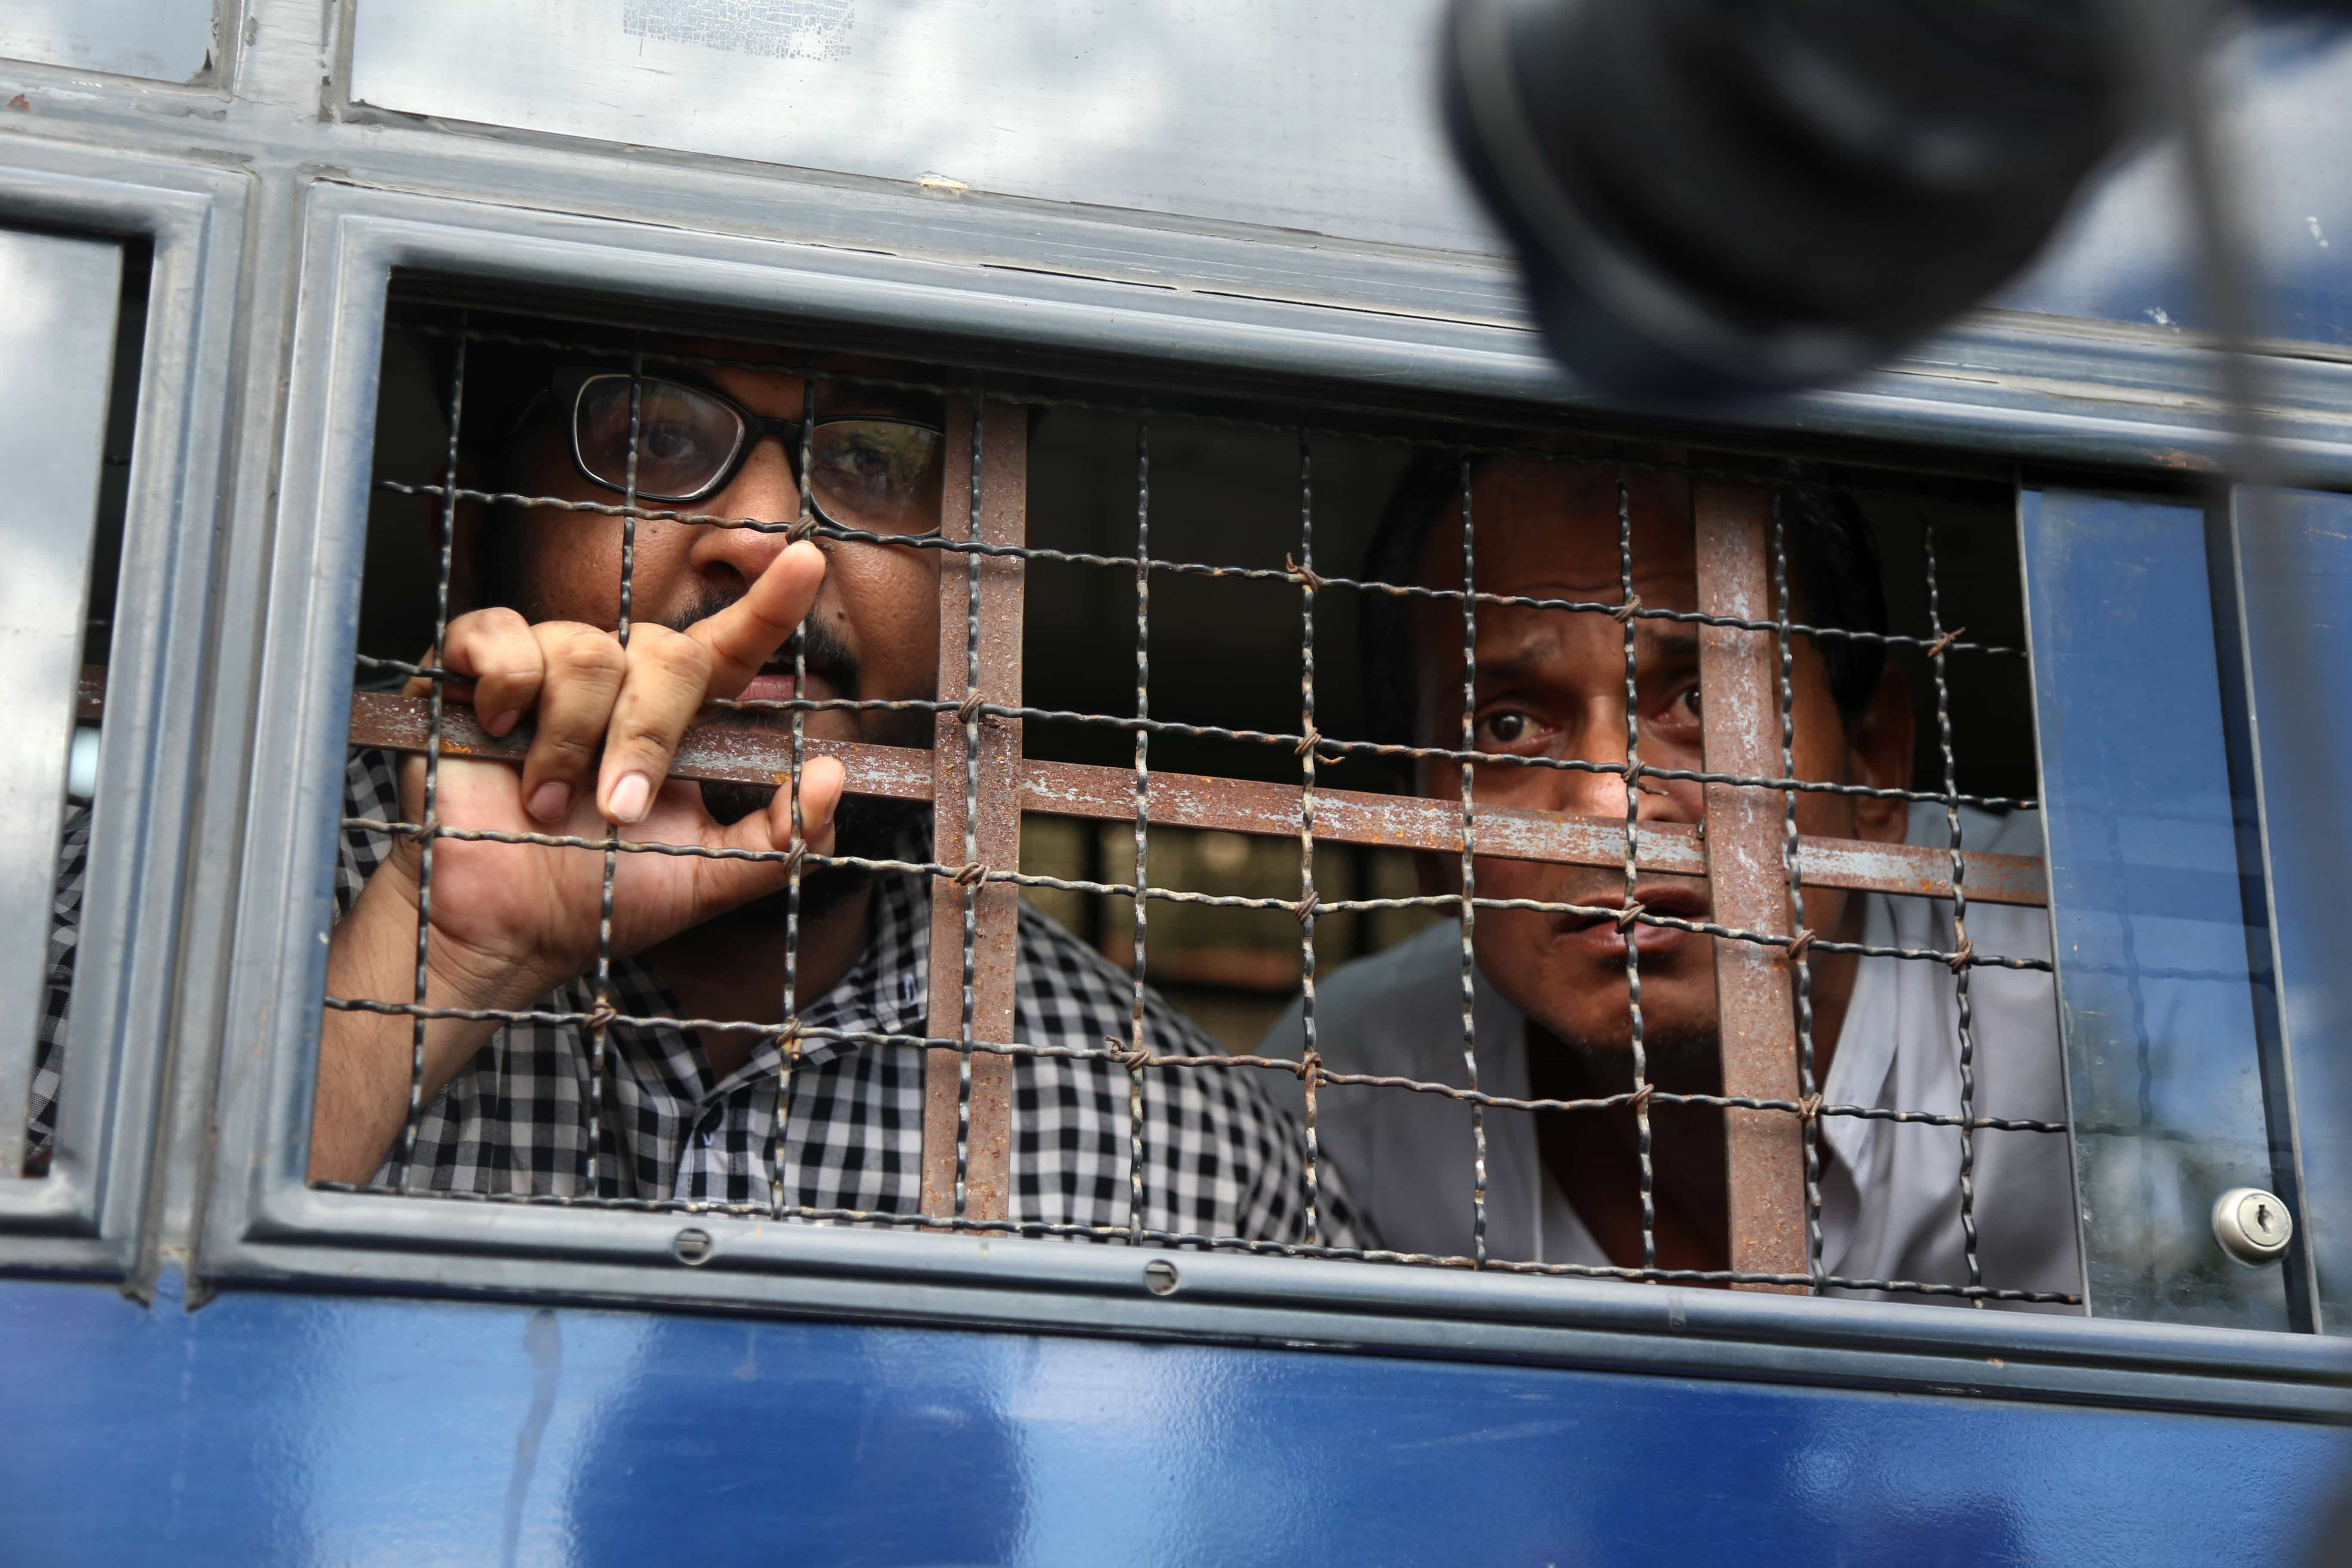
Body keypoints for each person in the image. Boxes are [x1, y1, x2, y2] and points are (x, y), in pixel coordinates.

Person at [32, 328, 1336, 1246]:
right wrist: (435, 960)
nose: (770, 540)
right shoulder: (105, 926)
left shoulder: (1165, 1141)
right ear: (466, 525)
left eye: (875, 461)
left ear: (982, 588)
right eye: (651, 437)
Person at [1262, 453, 2076, 1305]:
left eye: (1701, 701)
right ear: (1427, 840)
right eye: (1508, 727)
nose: (1615, 802)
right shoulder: (1353, 1092)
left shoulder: (2084, 995)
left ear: (1873, 765)